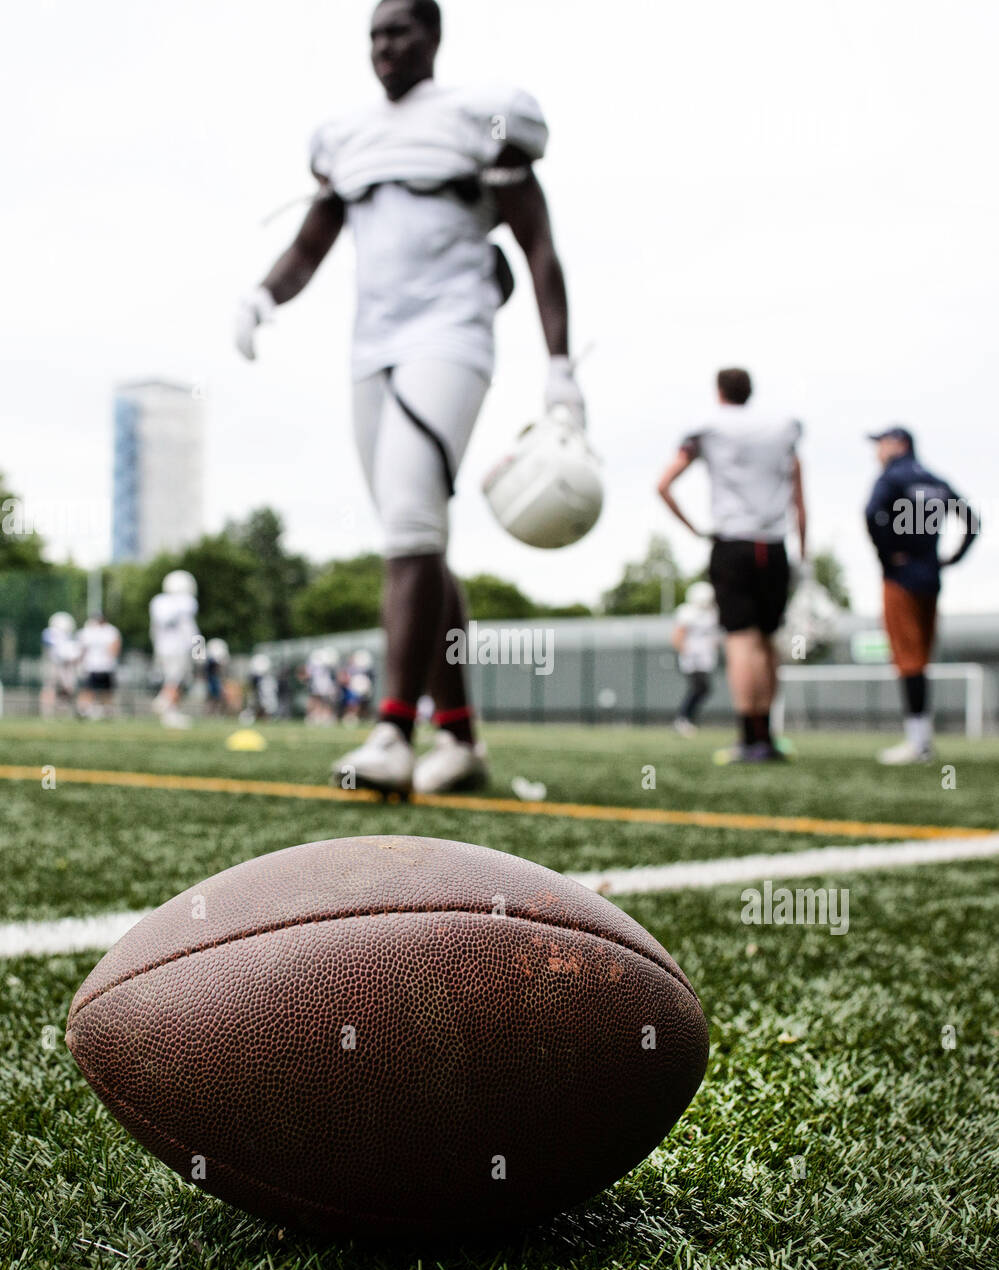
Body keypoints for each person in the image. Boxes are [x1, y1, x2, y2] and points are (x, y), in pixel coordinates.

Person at [235, 0, 583, 795]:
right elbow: (313, 240)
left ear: (433, 35)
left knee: (409, 528)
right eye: (373, 35)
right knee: (415, 534)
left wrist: (559, 365)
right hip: (371, 348)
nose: (384, 47)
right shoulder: (348, 135)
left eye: (398, 31)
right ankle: (458, 741)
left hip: (451, 335)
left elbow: (538, 247)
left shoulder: (478, 119)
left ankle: (394, 729)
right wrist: (262, 297)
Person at [658, 367, 807, 763]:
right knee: (767, 642)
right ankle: (767, 737)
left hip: (733, 544)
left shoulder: (709, 427)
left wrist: (695, 529)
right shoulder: (782, 429)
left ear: (719, 392)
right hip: (775, 546)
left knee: (741, 641)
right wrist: (803, 552)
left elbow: (664, 483)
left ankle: (749, 737)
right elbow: (799, 491)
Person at [864, 427, 979, 764]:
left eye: (881, 445)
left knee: (908, 659)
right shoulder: (935, 480)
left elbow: (871, 514)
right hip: (930, 578)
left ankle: (918, 742)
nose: (877, 453)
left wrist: (888, 556)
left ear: (898, 445)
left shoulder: (891, 479)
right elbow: (972, 520)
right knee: (920, 659)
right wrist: (951, 559)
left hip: (901, 579)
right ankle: (921, 739)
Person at [150, 570, 201, 730]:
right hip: (178, 649)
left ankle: (171, 714)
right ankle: (163, 701)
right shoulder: (187, 602)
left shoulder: (158, 601)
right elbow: (191, 630)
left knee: (172, 680)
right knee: (175, 680)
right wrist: (199, 651)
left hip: (161, 648)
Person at [671, 582, 721, 736]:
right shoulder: (687, 612)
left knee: (703, 689)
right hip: (692, 658)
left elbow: (715, 636)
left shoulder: (713, 613)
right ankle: (683, 719)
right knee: (700, 687)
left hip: (705, 658)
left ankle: (687, 719)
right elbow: (677, 636)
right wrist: (687, 653)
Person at [76, 614, 122, 719]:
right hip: (94, 666)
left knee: (105, 691)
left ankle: (106, 712)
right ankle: (84, 710)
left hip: (104, 666)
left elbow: (114, 649)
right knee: (90, 690)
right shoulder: (93, 631)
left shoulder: (109, 631)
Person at [40, 612, 80, 717]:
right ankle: (47, 712)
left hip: (67, 665)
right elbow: (55, 649)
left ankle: (65, 711)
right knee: (50, 687)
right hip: (54, 664)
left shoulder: (69, 637)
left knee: (68, 688)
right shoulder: (50, 633)